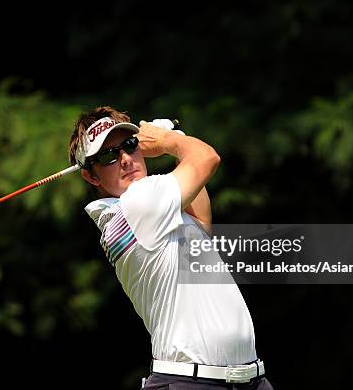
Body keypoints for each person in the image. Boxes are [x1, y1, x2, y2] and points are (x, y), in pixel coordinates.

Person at [68, 106, 273, 389]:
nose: (126, 159)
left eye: (130, 145)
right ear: (91, 176)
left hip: (248, 380)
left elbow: (201, 222)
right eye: (108, 156)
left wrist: (175, 137)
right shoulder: (136, 204)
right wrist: (167, 141)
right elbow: (207, 158)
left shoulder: (150, 204)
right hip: (189, 382)